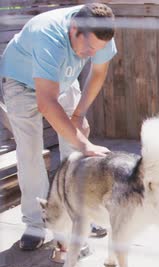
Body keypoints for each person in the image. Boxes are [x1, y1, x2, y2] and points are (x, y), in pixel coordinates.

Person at [0, 3, 117, 250]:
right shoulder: (48, 35)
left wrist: (79, 114)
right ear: (73, 29)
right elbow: (47, 103)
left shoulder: (99, 30)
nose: (89, 53)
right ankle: (35, 223)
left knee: (74, 155)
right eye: (87, 47)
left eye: (96, 49)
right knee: (30, 154)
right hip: (22, 84)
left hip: (62, 81)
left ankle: (80, 218)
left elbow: (97, 73)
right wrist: (85, 144)